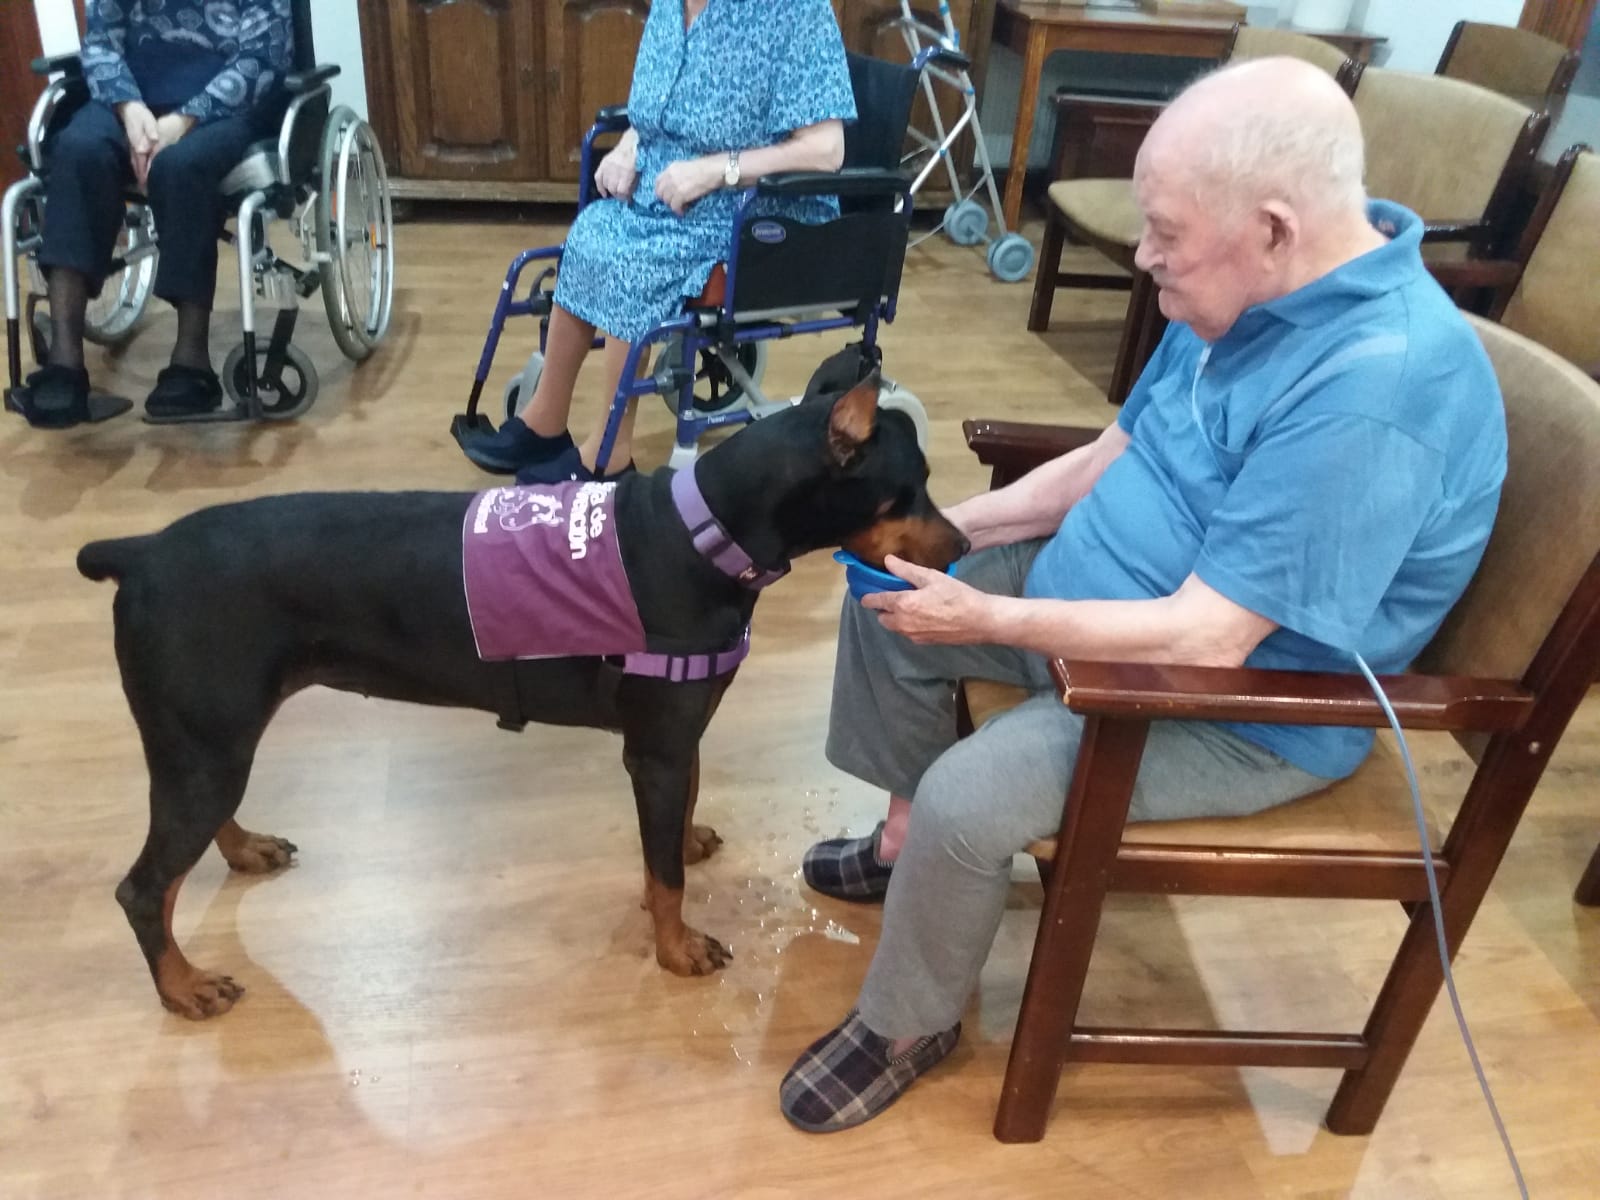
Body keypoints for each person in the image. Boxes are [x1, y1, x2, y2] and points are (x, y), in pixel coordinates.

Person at [778, 57, 1509, 1133]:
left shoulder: (1377, 387)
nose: (1144, 253)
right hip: (1106, 598)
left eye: (1165, 230)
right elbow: (1107, 458)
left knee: (970, 799)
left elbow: (1213, 636)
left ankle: (908, 1020)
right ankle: (907, 858)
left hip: (1230, 703)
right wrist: (950, 542)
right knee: (885, 606)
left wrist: (986, 617)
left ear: (1270, 228)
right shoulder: (1240, 297)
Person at [459, 0, 856, 485]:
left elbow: (826, 150)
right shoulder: (671, 6)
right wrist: (628, 148)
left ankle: (609, 457)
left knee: (634, 262)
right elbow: (652, 112)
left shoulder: (795, 11)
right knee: (593, 233)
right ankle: (545, 421)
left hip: (754, 211)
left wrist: (716, 170)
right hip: (668, 197)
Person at [15, 0, 293, 429]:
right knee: (78, 151)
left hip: (224, 104)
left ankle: (191, 361)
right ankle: (65, 364)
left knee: (180, 167)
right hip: (131, 99)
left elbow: (264, 57)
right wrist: (130, 109)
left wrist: (184, 119)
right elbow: (102, 44)